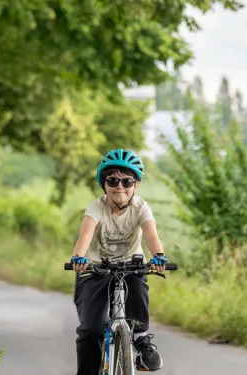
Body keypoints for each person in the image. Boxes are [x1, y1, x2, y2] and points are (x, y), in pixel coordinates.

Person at [70, 148, 168, 374]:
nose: (120, 187)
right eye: (112, 180)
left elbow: (151, 235)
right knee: (90, 331)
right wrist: (79, 257)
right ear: (104, 184)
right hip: (96, 268)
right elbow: (84, 236)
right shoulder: (96, 207)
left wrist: (159, 256)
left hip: (130, 265)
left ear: (136, 185)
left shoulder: (140, 207)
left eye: (127, 181)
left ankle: (141, 339)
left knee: (138, 284)